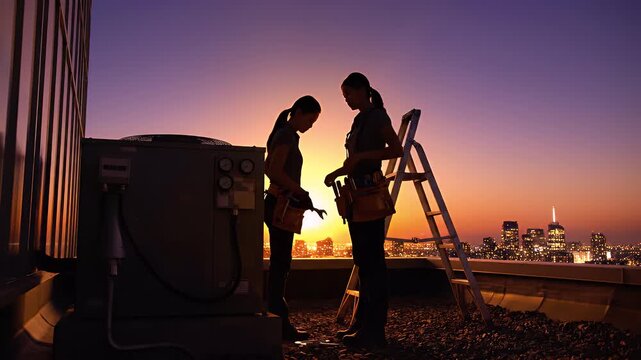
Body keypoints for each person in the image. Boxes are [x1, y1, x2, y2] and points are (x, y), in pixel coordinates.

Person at [324, 73, 403, 347]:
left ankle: (374, 330)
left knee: (372, 264)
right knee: (363, 261)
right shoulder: (358, 120)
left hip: (369, 195)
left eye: (348, 94)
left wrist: (362, 157)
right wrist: (336, 173)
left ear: (363, 91)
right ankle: (361, 323)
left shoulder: (378, 117)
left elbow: (396, 149)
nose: (346, 99)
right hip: (357, 195)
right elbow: (353, 160)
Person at [264, 95, 321, 341]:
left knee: (280, 263)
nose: (310, 126)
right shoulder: (286, 135)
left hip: (278, 203)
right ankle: (279, 322)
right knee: (280, 264)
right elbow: (273, 170)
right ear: (298, 112)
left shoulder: (284, 134)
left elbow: (271, 169)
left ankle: (276, 318)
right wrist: (300, 191)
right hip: (280, 205)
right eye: (310, 119)